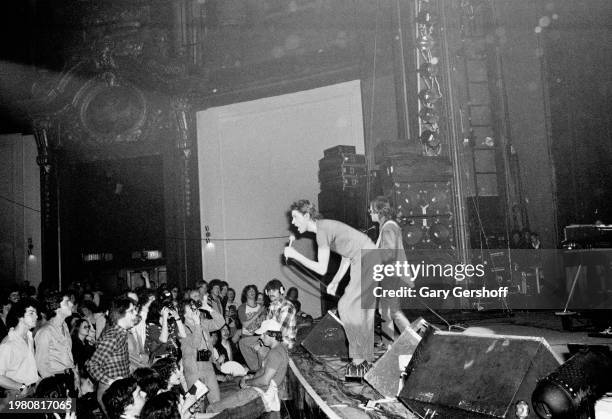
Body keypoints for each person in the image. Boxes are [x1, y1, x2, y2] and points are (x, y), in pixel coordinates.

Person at [283, 199, 377, 379]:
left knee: (346, 306)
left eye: (295, 217)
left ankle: (360, 361)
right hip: (365, 257)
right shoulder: (325, 228)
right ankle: (363, 359)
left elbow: (321, 269)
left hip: (366, 258)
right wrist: (336, 280)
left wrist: (295, 255)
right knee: (353, 308)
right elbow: (346, 254)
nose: (293, 222)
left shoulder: (322, 231)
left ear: (307, 216)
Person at [207, 319, 289, 415]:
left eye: (264, 334)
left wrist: (248, 382)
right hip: (258, 389)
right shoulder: (279, 349)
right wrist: (250, 377)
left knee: (212, 408)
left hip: (256, 392)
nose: (261, 338)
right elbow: (264, 372)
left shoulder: (275, 353)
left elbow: (265, 380)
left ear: (273, 335)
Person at [369, 196, 412, 342]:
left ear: (379, 212)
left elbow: (389, 253)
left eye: (372, 209)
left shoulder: (388, 227)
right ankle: (390, 345)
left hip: (392, 275)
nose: (369, 212)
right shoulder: (387, 227)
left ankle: (416, 341)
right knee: (386, 311)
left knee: (392, 311)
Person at [86, 297, 139, 412]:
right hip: (109, 392)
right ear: (120, 315)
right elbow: (91, 365)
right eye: (131, 311)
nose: (135, 313)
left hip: (119, 391)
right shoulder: (113, 337)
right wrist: (111, 381)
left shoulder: (121, 333)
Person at [239, 279, 296, 372]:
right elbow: (266, 327)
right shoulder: (272, 306)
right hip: (270, 336)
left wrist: (261, 343)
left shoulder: (287, 307)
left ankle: (264, 375)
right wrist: (261, 338)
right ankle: (257, 370)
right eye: (269, 291)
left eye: (274, 290)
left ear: (281, 291)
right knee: (243, 343)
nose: (270, 293)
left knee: (261, 351)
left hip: (283, 342)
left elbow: (279, 333)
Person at [180, 290, 224, 404]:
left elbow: (220, 322)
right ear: (184, 314)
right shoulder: (182, 329)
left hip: (207, 365)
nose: (195, 311)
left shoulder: (202, 322)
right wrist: (197, 324)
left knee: (216, 401)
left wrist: (208, 308)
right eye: (191, 309)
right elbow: (195, 343)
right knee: (197, 404)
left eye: (194, 308)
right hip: (194, 369)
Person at [35, 291, 78, 395]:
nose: (71, 304)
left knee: (71, 411)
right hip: (54, 382)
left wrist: (75, 377)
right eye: (67, 302)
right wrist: (54, 387)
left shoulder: (65, 327)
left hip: (68, 378)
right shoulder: (45, 332)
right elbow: (40, 365)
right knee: (59, 411)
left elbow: (68, 355)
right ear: (56, 307)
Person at [0, 299, 39, 400]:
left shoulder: (29, 338)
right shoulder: (8, 344)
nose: (37, 316)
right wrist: (21, 387)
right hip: (16, 396)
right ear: (20, 317)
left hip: (31, 393)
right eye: (31, 313)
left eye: (36, 313)